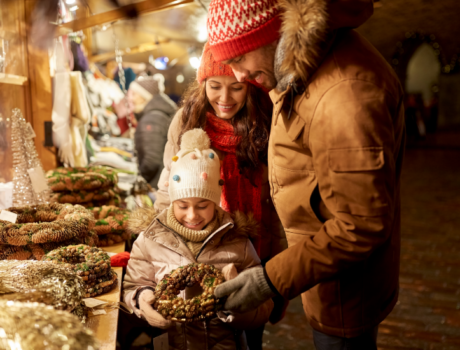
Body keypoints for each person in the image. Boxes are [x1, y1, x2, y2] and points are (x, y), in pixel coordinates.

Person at [206, 0, 406, 349]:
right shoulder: (302, 69)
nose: (238, 76)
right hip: (325, 271)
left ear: (274, 36)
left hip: (346, 289)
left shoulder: (343, 94)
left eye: (239, 59)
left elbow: (359, 225)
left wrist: (268, 279)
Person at [154, 43, 288, 349]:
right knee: (206, 329)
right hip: (202, 244)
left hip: (257, 244)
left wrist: (281, 266)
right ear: (203, 85)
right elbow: (169, 186)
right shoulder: (187, 121)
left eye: (236, 88)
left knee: (252, 328)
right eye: (215, 86)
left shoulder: (266, 122)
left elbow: (278, 199)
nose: (224, 99)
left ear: (249, 87)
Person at [123, 128, 274, 350]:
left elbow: (263, 309)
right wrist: (142, 300)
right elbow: (133, 286)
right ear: (172, 200)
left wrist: (234, 302)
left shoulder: (238, 243)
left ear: (216, 202)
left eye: (203, 205)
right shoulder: (150, 240)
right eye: (183, 206)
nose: (192, 215)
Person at [131, 74, 178, 189]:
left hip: (157, 184)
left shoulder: (152, 119)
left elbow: (151, 160)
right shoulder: (157, 113)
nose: (132, 98)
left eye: (135, 94)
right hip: (164, 180)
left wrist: (141, 181)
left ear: (144, 96)